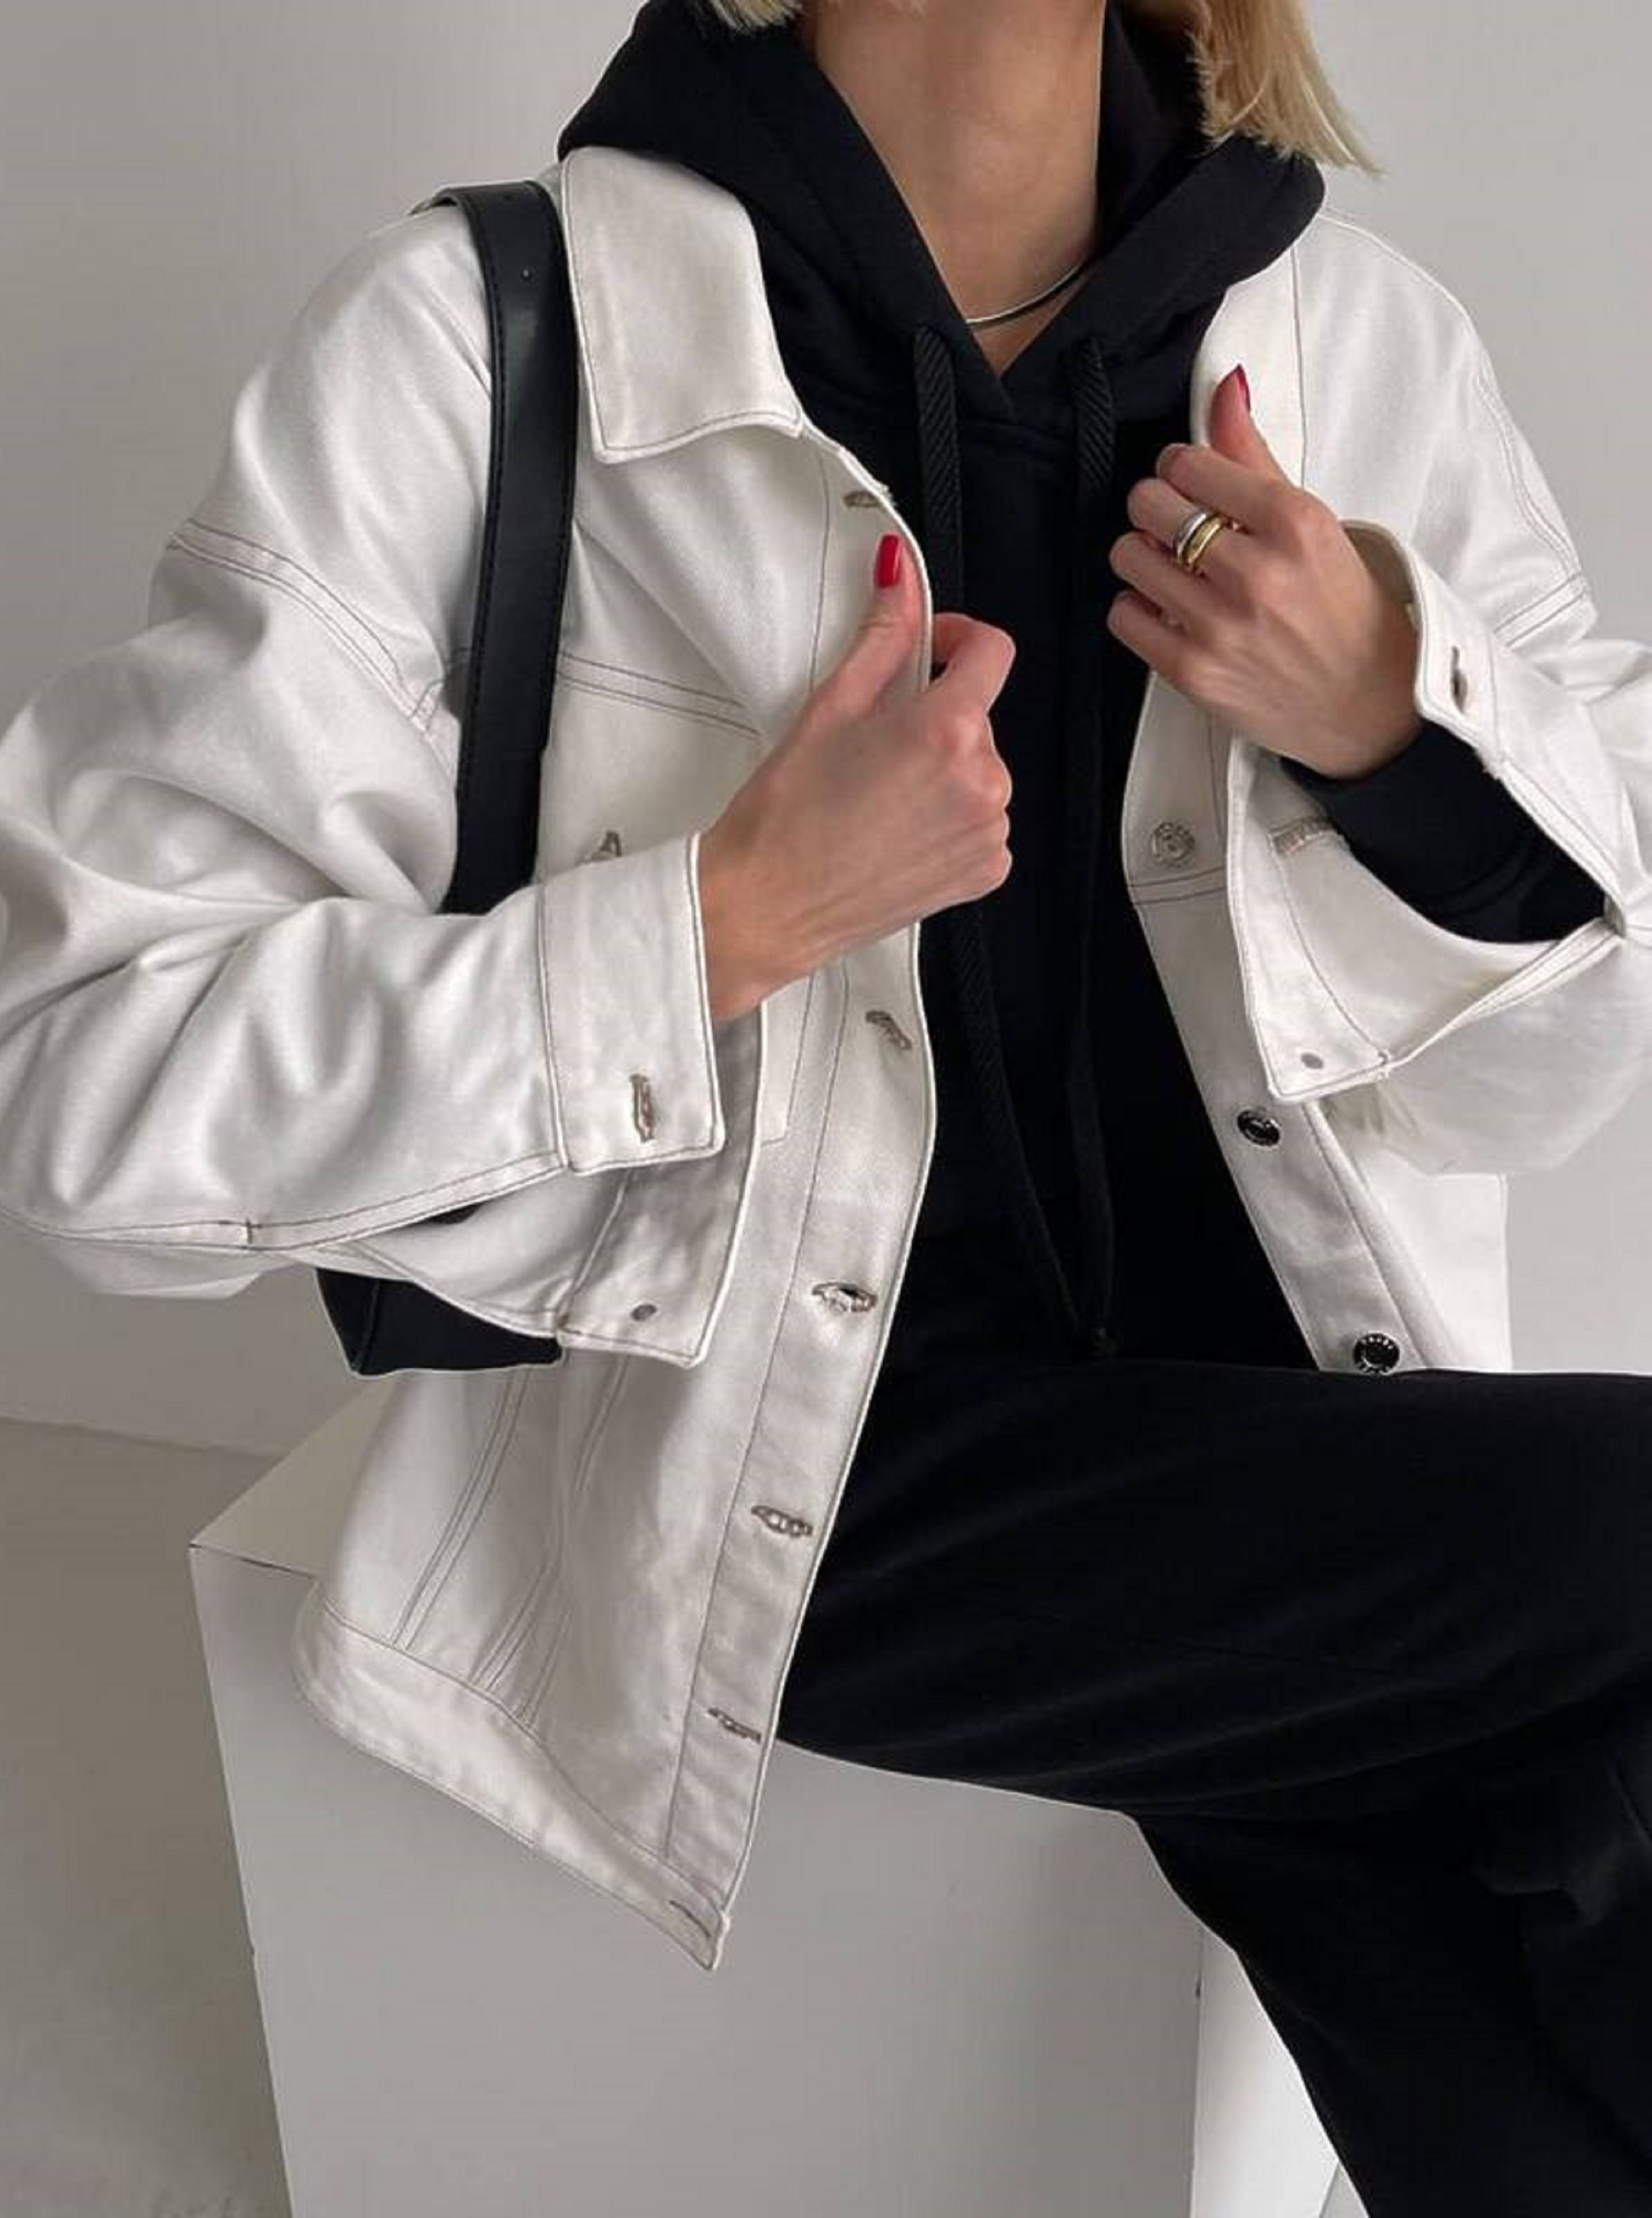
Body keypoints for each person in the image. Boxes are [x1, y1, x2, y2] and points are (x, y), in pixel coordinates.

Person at [561, 1, 1652, 2210]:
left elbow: (1566, 1050)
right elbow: (91, 1079)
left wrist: (1401, 724)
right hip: (797, 1473)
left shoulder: (1354, 333)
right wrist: (717, 923)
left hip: (1265, 1409)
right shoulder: (510, 331)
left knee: (1487, 1880)